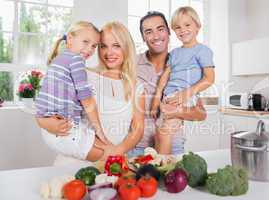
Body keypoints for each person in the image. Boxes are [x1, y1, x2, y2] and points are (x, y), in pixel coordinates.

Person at [36, 21, 145, 162]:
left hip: (109, 162)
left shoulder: (136, 86)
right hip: (74, 160)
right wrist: (46, 124)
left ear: (127, 47)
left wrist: (117, 151)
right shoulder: (83, 73)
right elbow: (47, 104)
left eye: (116, 45)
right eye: (103, 46)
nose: (109, 52)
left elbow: (138, 128)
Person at [127, 10, 208, 156]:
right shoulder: (132, 64)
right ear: (143, 37)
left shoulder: (186, 62)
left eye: (160, 29)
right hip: (137, 147)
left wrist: (177, 111)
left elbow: (201, 114)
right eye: (149, 31)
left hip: (174, 145)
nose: (156, 36)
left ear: (168, 32)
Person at [35, 21, 110, 162]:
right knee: (108, 157)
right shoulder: (76, 60)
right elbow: (86, 98)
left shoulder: (59, 60)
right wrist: (99, 130)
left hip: (53, 128)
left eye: (94, 46)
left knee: (109, 152)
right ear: (70, 38)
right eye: (85, 42)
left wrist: (43, 121)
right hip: (66, 128)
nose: (89, 49)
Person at [150, 7, 215, 154]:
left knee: (164, 133)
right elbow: (165, 76)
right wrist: (156, 98)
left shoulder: (202, 51)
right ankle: (159, 168)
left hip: (186, 96)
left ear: (197, 26)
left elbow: (209, 78)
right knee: (159, 135)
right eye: (178, 27)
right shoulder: (174, 53)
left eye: (187, 25)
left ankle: (163, 171)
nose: (182, 30)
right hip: (169, 97)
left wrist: (186, 94)